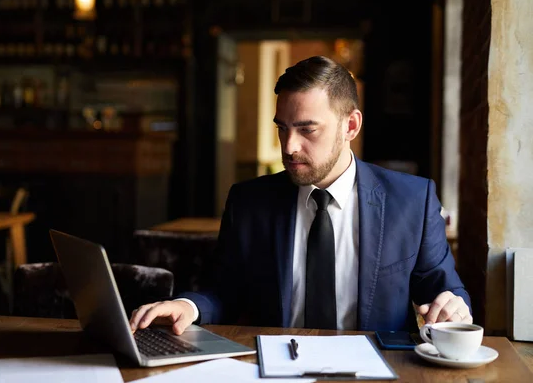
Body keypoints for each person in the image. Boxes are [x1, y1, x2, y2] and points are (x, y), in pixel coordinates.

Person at [130, 55, 472, 335]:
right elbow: (223, 290)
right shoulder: (249, 202)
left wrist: (454, 308)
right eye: (282, 128)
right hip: (272, 369)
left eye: (307, 129)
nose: (290, 146)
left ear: (350, 126)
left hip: (379, 370)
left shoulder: (412, 200)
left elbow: (445, 292)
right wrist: (187, 306)